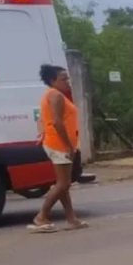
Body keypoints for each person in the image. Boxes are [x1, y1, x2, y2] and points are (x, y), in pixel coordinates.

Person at [30, 64, 86, 232]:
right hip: (59, 144)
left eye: (67, 78)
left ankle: (71, 219)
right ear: (52, 80)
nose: (67, 82)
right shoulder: (56, 96)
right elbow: (56, 122)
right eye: (63, 79)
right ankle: (41, 216)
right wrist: (69, 146)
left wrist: (42, 134)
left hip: (53, 142)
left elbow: (42, 119)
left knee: (64, 184)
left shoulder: (49, 95)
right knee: (63, 184)